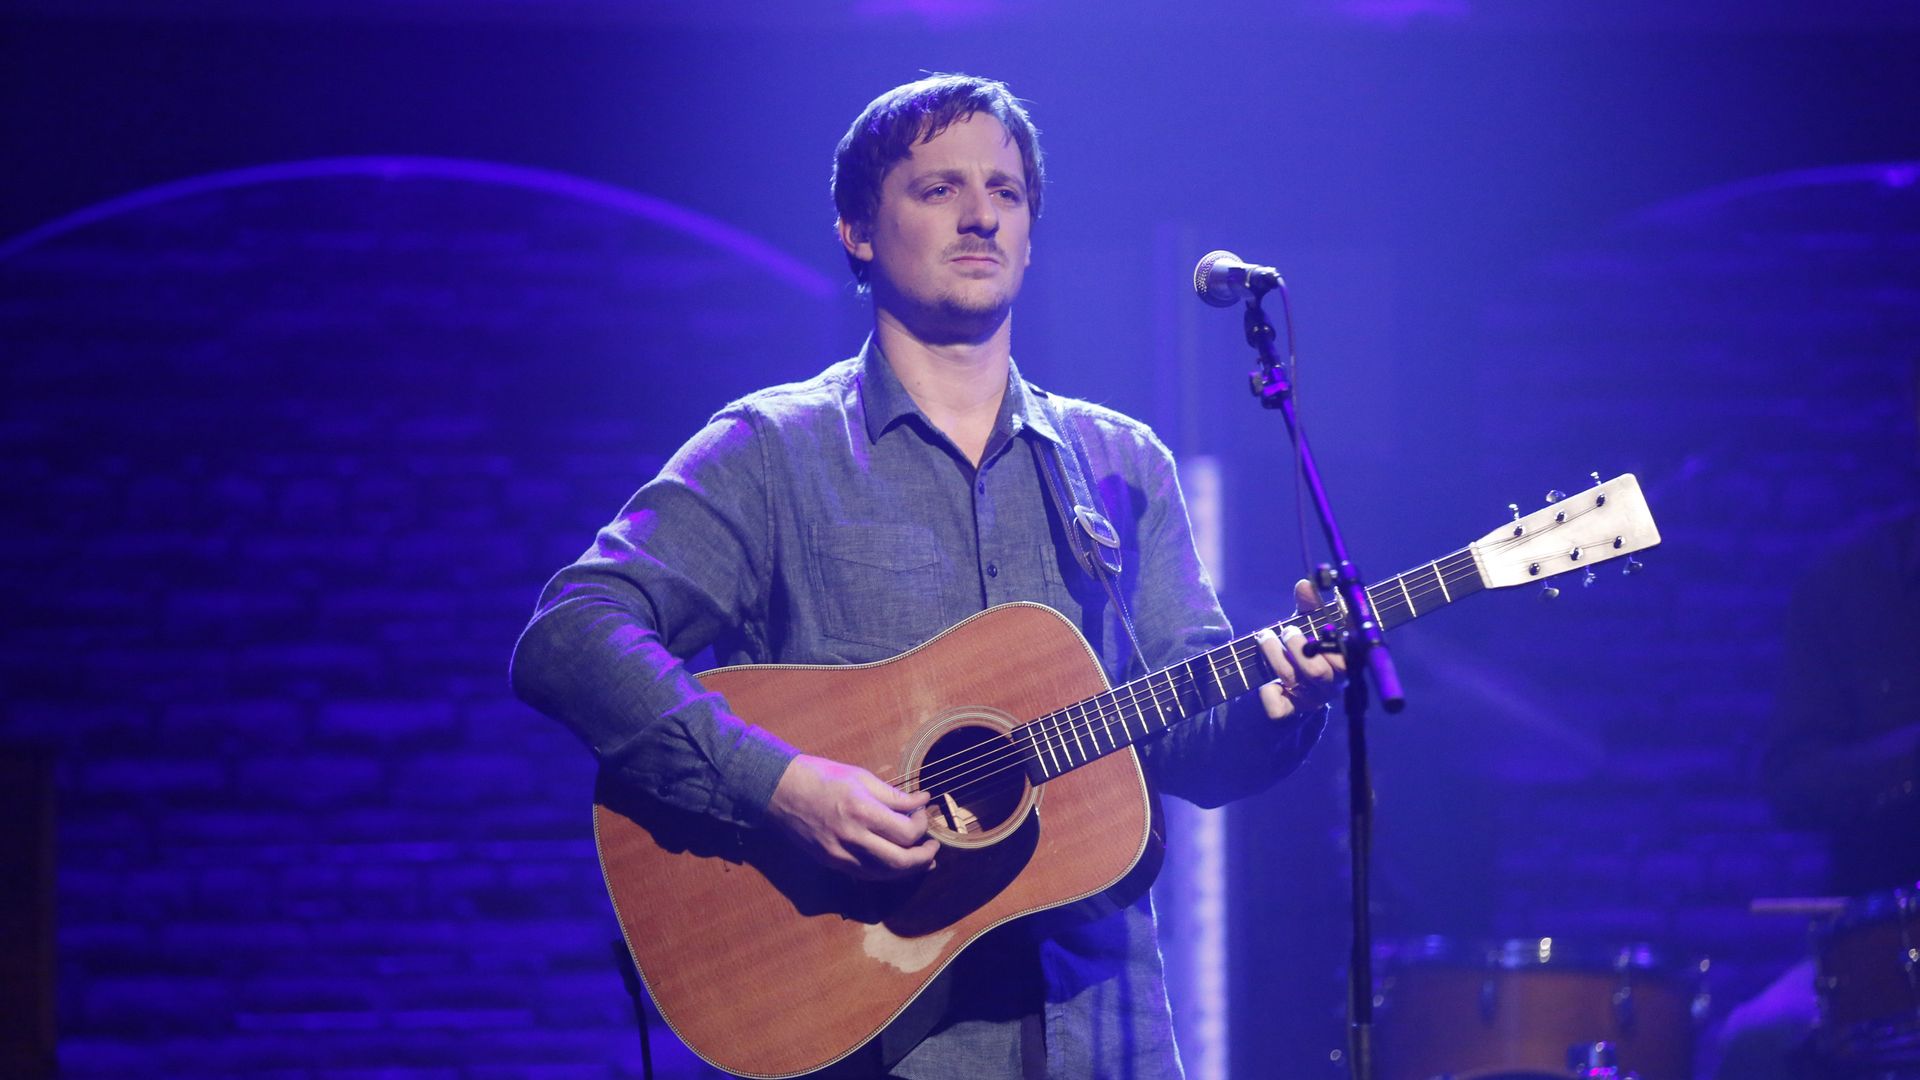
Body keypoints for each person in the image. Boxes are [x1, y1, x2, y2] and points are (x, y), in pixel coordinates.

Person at [510, 74, 1340, 1079]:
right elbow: (572, 635)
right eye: (939, 188)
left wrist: (1283, 702)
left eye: (1006, 191)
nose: (982, 212)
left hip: (1106, 1031)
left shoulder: (1122, 465)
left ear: (1031, 232)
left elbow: (1201, 753)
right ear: (859, 230)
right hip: (875, 1038)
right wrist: (784, 787)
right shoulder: (771, 451)